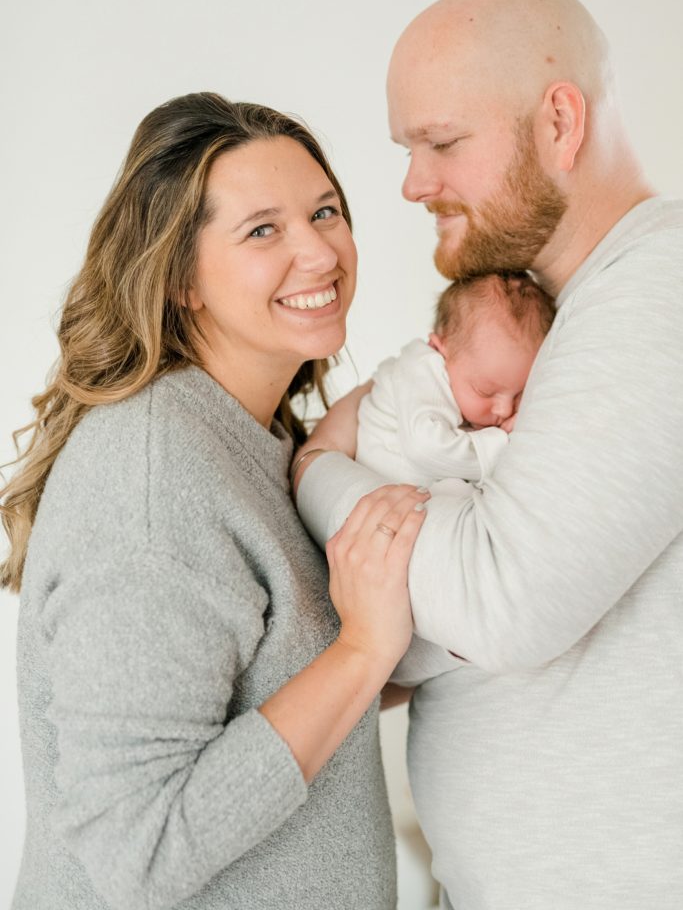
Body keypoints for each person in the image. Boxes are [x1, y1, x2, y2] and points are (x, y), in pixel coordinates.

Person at [292, 0, 683, 909]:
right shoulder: (558, 321)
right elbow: (423, 635)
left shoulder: (654, 293)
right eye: (408, 150)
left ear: (558, 123)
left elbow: (500, 603)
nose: (411, 183)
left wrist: (319, 472)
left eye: (441, 142)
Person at [0, 92, 429, 910]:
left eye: (324, 212)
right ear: (181, 281)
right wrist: (360, 652)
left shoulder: (253, 438)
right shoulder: (154, 478)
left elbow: (268, 686)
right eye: (262, 230)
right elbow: (139, 850)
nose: (318, 252)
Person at [356, 273, 555, 488]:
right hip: (383, 489)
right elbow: (425, 449)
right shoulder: (422, 367)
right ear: (439, 350)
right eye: (485, 391)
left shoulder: (466, 376)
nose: (505, 410)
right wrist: (502, 442)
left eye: (519, 394)